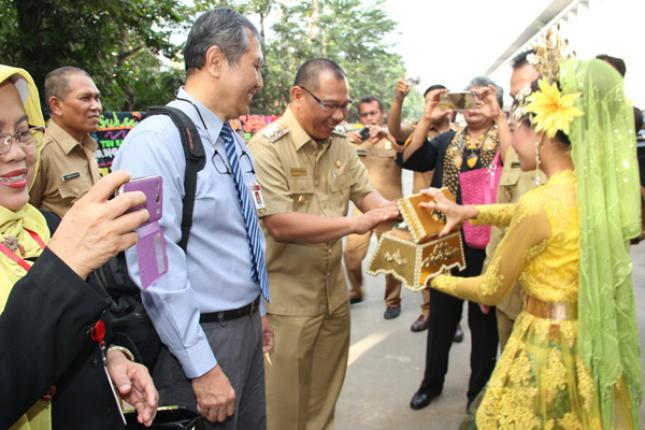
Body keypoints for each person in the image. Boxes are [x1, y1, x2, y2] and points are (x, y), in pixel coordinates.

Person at [423, 58, 642, 429]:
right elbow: (528, 217)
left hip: (546, 344)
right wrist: (468, 209)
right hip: (586, 336)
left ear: (539, 133)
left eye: (514, 128)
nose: (512, 143)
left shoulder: (540, 203)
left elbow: (491, 289)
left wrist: (432, 279)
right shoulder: (592, 191)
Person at [112, 8, 272, 429]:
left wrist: (257, 313)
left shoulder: (232, 140)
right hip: (197, 341)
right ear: (217, 61)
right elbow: (153, 266)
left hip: (244, 329)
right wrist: (200, 366)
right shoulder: (155, 141)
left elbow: (238, 236)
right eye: (255, 66)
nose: (260, 80)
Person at [0, 65, 157, 429]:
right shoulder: (63, 248)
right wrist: (64, 266)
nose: (17, 154)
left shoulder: (45, 226)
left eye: (22, 133)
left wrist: (111, 359)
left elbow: (81, 327)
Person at [248, 58, 399, 430]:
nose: (338, 115)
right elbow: (280, 224)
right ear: (297, 96)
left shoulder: (340, 146)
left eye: (343, 106)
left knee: (323, 407)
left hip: (334, 300)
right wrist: (356, 223)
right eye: (328, 104)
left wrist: (407, 211)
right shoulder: (266, 148)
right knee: (284, 412)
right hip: (287, 307)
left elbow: (367, 196)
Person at [401, 76, 510, 410]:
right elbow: (412, 158)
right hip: (447, 243)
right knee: (441, 319)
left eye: (484, 98)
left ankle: (477, 394)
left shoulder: (504, 138)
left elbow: (516, 164)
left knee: (484, 325)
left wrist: (501, 118)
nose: (474, 102)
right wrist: (427, 117)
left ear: (496, 104)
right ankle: (431, 383)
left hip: (490, 247)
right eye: (469, 96)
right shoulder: (449, 139)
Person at [387, 80, 455, 333]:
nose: (436, 105)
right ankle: (428, 311)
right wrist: (399, 99)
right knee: (428, 263)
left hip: (451, 208)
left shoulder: (462, 132)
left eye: (442, 100)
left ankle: (452, 318)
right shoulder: (419, 130)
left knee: (449, 263)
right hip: (423, 208)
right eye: (431, 101)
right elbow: (394, 130)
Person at [487, 49, 542, 352]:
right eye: (514, 98)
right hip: (509, 294)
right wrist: (489, 276)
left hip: (553, 308)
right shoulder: (515, 150)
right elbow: (501, 223)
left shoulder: (582, 156)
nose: (518, 107)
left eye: (526, 95)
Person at [344, 95, 404, 319]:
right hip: (363, 208)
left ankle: (392, 301)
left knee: (392, 259)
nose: (369, 118)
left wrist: (388, 133)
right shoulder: (357, 140)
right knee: (350, 254)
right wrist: (346, 141)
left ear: (382, 114)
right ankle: (357, 289)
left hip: (390, 208)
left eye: (374, 113)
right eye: (365, 114)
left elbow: (407, 152)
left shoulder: (394, 137)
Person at [29, 67, 102, 218]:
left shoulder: (88, 145)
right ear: (56, 105)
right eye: (85, 98)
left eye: (97, 98)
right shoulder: (40, 152)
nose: (96, 107)